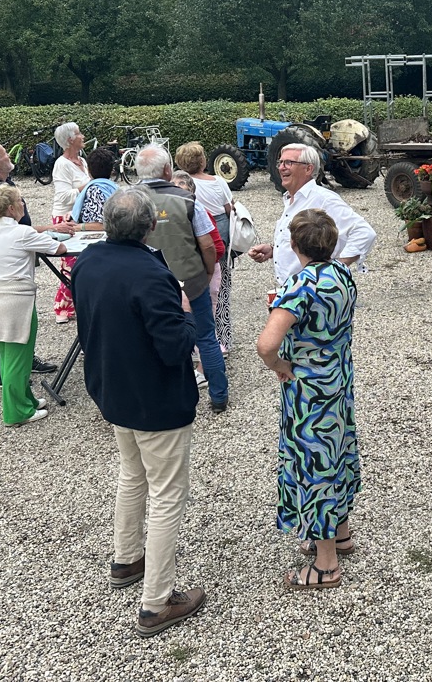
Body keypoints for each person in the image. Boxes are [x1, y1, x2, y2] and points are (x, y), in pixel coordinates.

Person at [69, 187, 207, 637]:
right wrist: (187, 312)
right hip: (155, 399)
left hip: (113, 390)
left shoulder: (87, 261)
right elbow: (174, 347)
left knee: (132, 475)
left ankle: (127, 559)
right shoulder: (151, 274)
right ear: (150, 226)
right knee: (167, 494)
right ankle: (156, 602)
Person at [257, 209, 362, 590]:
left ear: (294, 244)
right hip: (337, 382)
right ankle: (341, 533)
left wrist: (279, 364)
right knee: (336, 453)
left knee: (313, 465)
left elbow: (266, 344)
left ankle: (326, 564)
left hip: (308, 394)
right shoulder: (343, 274)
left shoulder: (300, 285)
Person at [135, 146, 231, 413]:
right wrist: (208, 272)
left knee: (147, 340)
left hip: (144, 285)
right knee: (206, 337)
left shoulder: (126, 200)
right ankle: (219, 395)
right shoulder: (189, 201)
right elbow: (208, 244)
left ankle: (158, 398)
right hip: (189, 281)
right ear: (168, 170)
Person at [0, 139, 68, 386]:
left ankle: (21, 361)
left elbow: (17, 229)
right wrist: (47, 232)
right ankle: (1, 373)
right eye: (5, 154)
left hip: (17, 254)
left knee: (14, 320)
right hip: (9, 268)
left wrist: (48, 229)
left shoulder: (3, 183)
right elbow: (10, 231)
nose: (9, 156)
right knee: (6, 321)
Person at [0, 184, 67, 426]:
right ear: (10, 208)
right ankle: (16, 412)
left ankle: (26, 400)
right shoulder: (22, 233)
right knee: (19, 358)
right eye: (20, 201)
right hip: (15, 301)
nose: (23, 204)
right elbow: (59, 248)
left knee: (8, 356)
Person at [249, 144, 377, 287]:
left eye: (288, 162)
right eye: (280, 162)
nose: (281, 167)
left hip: (311, 291)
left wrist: (336, 268)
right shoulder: (291, 199)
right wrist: (274, 250)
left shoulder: (324, 199)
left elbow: (365, 233)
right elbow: (305, 243)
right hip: (291, 290)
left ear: (308, 169)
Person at [175, 142, 236, 355]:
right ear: (203, 161)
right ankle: (222, 340)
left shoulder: (178, 187)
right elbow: (229, 209)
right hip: (217, 245)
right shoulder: (218, 182)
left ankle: (192, 340)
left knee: (189, 294)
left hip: (190, 250)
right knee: (221, 293)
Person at [51, 122, 91, 324]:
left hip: (80, 216)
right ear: (69, 140)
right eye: (78, 133)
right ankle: (62, 307)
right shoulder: (62, 165)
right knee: (70, 264)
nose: (82, 136)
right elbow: (63, 196)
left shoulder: (82, 160)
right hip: (64, 218)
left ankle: (76, 304)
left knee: (84, 261)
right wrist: (87, 187)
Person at [70, 147, 119, 232]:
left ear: (88, 170)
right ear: (112, 170)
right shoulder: (115, 188)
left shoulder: (94, 190)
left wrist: (79, 226)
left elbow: (103, 224)